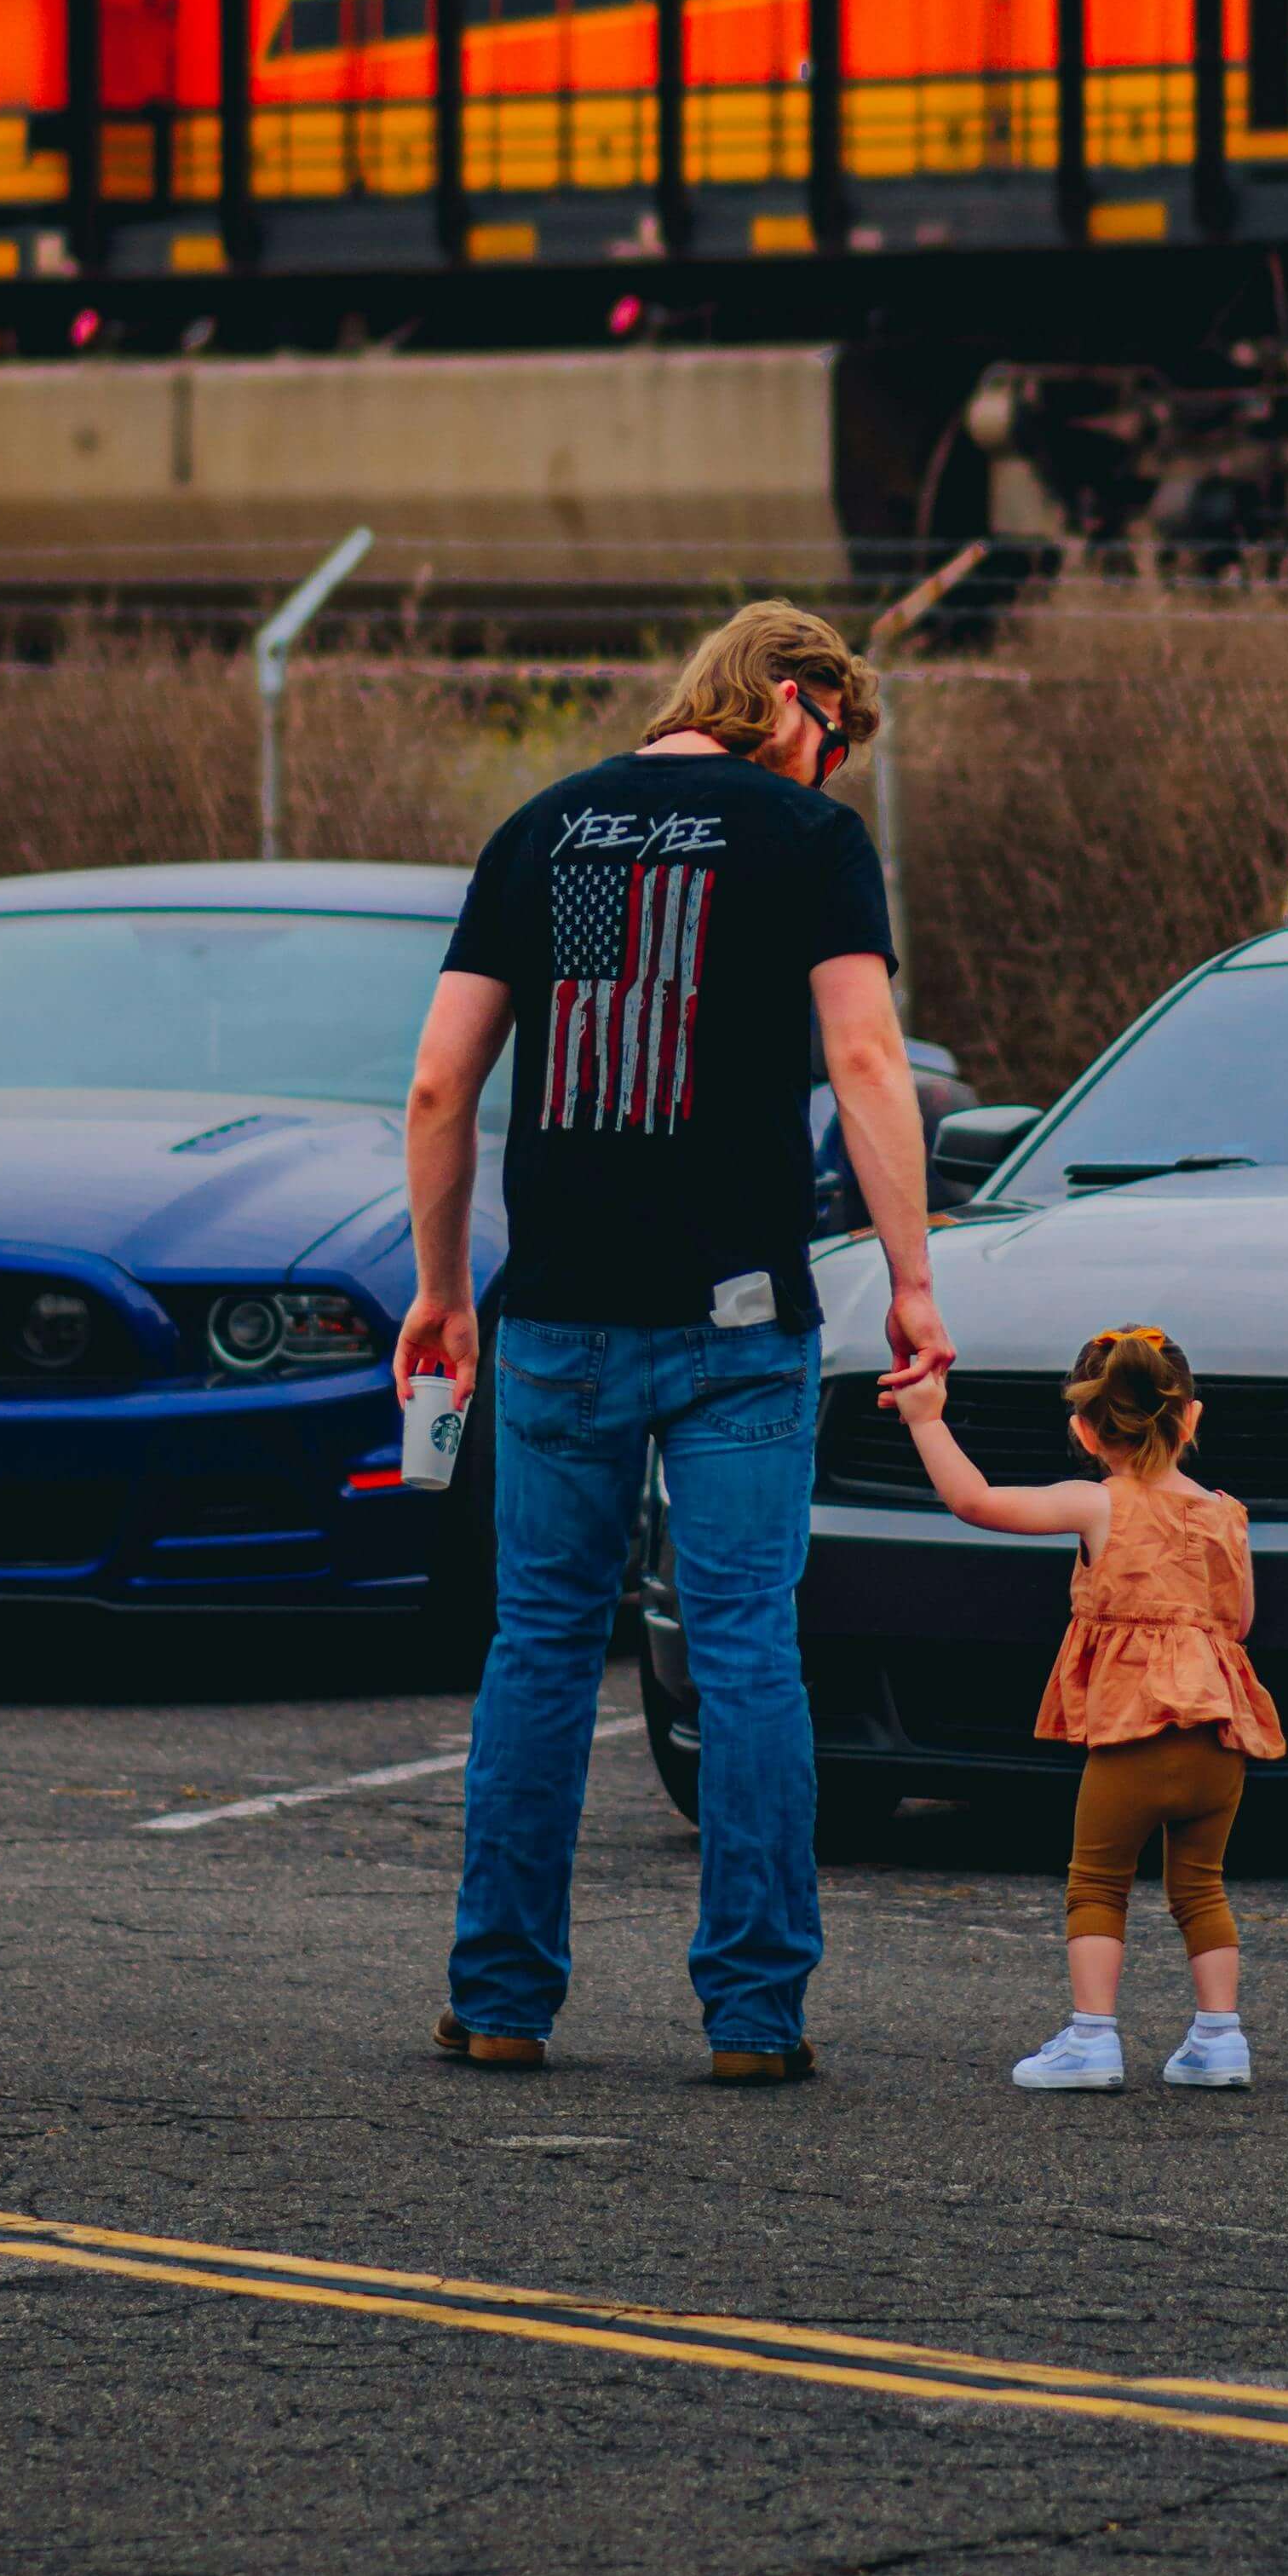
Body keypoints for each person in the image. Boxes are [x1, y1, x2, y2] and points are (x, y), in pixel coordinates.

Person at [396, 596, 955, 2084]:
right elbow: (861, 1057)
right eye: (829, 742)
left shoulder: (540, 830)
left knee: (536, 1652)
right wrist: (911, 1281)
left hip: (560, 1317)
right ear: (789, 701)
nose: (826, 774)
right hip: (733, 1317)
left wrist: (443, 1295)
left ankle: (502, 2000)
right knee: (747, 1652)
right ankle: (755, 2020)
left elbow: (441, 1090)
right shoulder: (807, 844)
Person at [888, 1324, 1284, 2092]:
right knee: (1199, 1884)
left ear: (1084, 1428)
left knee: (1097, 1881)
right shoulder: (1227, 1516)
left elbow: (974, 1502)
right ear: (1190, 1417)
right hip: (1218, 1735)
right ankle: (1219, 2039)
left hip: (1136, 1733)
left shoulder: (1095, 1504)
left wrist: (925, 1418)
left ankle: (1092, 2039)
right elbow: (1238, 1626)